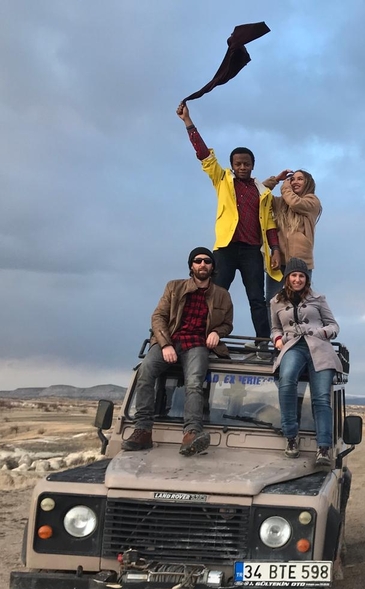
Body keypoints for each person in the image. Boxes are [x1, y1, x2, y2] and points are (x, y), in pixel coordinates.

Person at [177, 102, 279, 345]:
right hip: (226, 248)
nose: (242, 167)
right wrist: (188, 122)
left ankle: (263, 343)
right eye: (238, 163)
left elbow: (269, 223)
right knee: (214, 294)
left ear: (252, 165)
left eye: (246, 163)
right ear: (232, 165)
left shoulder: (262, 191)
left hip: (252, 250)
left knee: (257, 297)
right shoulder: (222, 179)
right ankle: (204, 337)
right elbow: (204, 155)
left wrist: (275, 249)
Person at [122, 247, 233, 456]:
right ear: (191, 266)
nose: (203, 265)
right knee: (144, 373)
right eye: (198, 261)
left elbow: (228, 324)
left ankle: (192, 433)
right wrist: (165, 344)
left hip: (198, 344)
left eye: (207, 261)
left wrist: (218, 332)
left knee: (194, 383)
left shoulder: (222, 295)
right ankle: (143, 430)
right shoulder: (174, 287)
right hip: (170, 341)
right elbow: (158, 317)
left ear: (213, 267)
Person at [270, 257, 342, 467]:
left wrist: (321, 332)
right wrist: (277, 339)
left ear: (306, 279)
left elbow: (334, 325)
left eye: (302, 276)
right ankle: (291, 437)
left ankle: (323, 448)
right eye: (294, 275)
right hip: (293, 346)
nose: (298, 279)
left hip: (319, 347)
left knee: (321, 398)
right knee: (287, 380)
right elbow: (275, 328)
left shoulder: (318, 299)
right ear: (287, 278)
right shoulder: (276, 302)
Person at [262, 169, 323, 300]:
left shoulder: (312, 202)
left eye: (300, 179)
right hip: (278, 259)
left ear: (308, 183)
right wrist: (276, 179)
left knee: (300, 300)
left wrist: (285, 187)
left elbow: (295, 203)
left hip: (301, 261)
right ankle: (272, 322)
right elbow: (259, 194)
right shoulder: (280, 203)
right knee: (271, 300)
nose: (295, 182)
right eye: (292, 179)